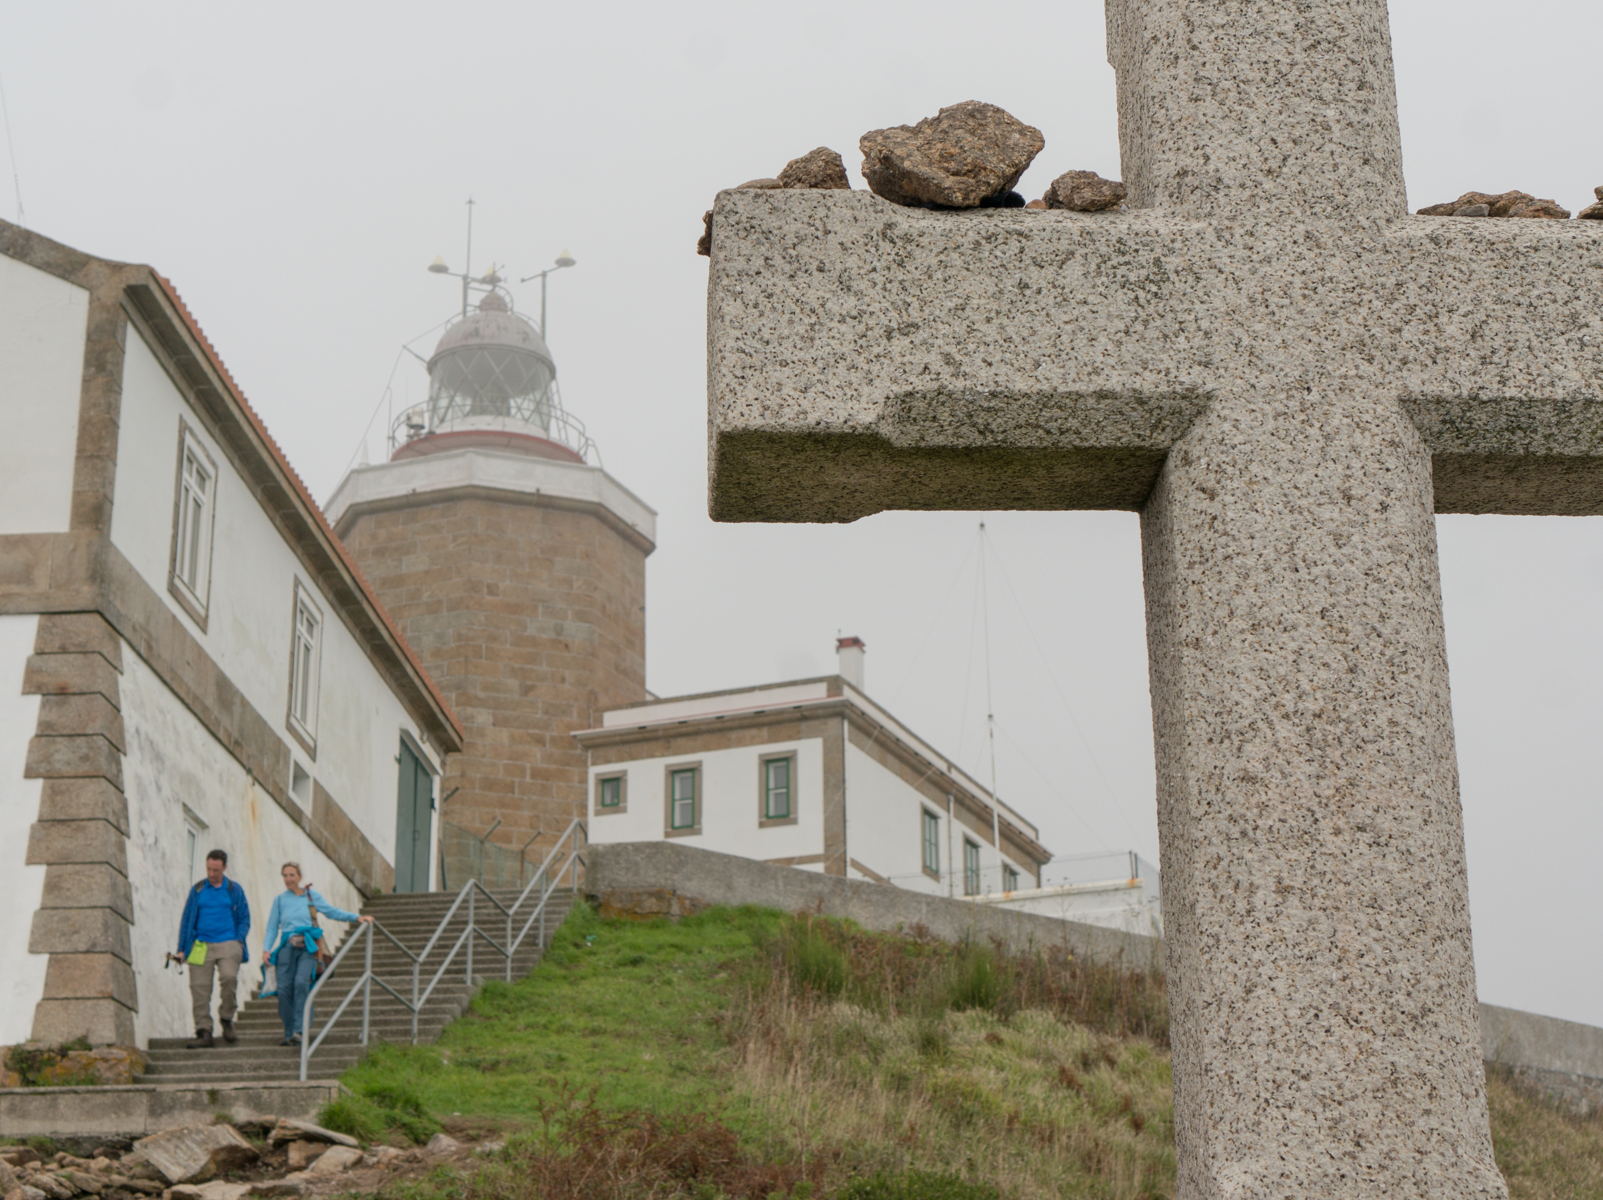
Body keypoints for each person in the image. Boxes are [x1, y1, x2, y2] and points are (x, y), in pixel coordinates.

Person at [264, 862, 373, 1047]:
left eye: (292, 875)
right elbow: (272, 927)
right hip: (286, 949)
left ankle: (299, 1030)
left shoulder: (310, 896)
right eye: (285, 875)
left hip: (308, 947)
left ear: (299, 876)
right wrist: (266, 949)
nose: (288, 879)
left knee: (300, 983)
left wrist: (356, 917)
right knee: (283, 991)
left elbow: (331, 912)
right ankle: (289, 1032)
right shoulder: (280, 900)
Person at [176, 849, 251, 1049]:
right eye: (209, 869)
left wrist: (239, 941)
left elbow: (244, 918)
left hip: (228, 942)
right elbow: (187, 920)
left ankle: (226, 1018)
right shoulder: (198, 890)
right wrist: (182, 949)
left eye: (215, 870)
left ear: (224, 868)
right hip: (200, 944)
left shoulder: (234, 890)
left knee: (229, 978)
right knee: (199, 989)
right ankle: (204, 1031)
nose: (211, 873)